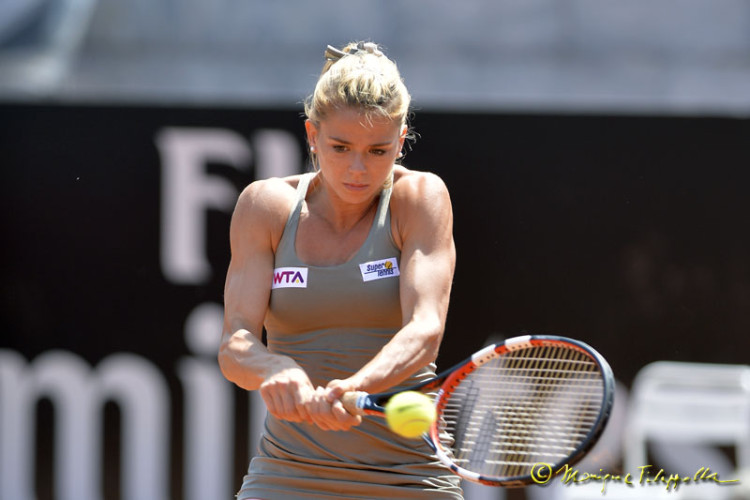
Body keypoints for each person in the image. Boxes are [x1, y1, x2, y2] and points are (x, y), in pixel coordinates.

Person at [218, 41, 462, 500]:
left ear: (402, 138)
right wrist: (275, 368)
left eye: (377, 150)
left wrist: (354, 387)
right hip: (287, 473)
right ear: (312, 135)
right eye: (340, 146)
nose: (357, 168)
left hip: (409, 476)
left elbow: (425, 329)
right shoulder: (264, 206)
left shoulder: (421, 199)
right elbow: (235, 344)